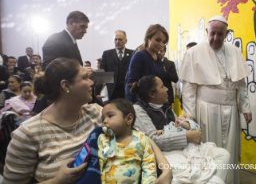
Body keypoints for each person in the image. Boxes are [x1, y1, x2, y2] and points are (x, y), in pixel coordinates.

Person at [3, 58, 172, 184]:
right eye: (85, 78)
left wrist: (166, 171)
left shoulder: (97, 113)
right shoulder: (27, 134)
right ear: (66, 86)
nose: (92, 82)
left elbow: (141, 138)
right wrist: (57, 181)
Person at [179, 15, 252, 184]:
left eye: (220, 34)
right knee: (210, 150)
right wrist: (190, 119)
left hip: (231, 110)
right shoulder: (193, 53)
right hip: (206, 110)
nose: (215, 38)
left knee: (230, 151)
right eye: (212, 33)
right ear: (207, 32)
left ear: (226, 34)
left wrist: (245, 107)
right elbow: (189, 91)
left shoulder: (234, 51)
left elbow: (241, 85)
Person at [131, 75, 230, 183]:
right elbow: (154, 140)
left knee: (222, 155)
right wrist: (187, 137)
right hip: (162, 154)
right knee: (192, 171)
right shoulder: (138, 110)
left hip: (181, 149)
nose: (167, 89)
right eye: (162, 86)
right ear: (151, 94)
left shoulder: (165, 107)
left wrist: (185, 122)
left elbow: (175, 126)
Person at [76, 98, 157, 184]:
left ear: (129, 119)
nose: (105, 121)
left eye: (110, 116)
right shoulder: (103, 139)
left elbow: (149, 164)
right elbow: (99, 165)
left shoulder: (141, 138)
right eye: (103, 119)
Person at [125, 24, 168, 103]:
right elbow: (131, 84)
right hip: (142, 104)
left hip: (157, 103)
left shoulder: (157, 58)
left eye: (164, 42)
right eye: (158, 40)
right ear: (148, 38)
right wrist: (130, 105)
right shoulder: (140, 55)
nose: (161, 44)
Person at [100, 30, 134, 100]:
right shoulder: (107, 54)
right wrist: (97, 92)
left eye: (120, 39)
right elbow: (102, 73)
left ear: (126, 41)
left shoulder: (132, 53)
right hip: (111, 92)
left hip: (127, 91)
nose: (117, 42)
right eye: (115, 39)